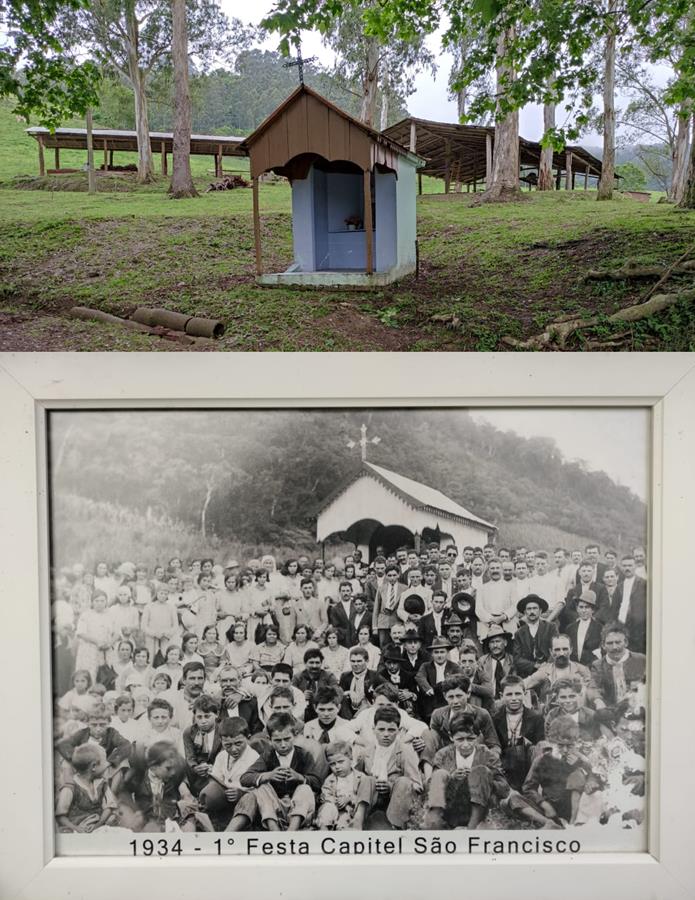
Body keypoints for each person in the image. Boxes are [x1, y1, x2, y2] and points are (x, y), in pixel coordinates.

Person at [424, 713, 509, 830]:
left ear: (478, 736)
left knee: (481, 771)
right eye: (460, 739)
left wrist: (482, 780)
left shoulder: (487, 755)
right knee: (440, 774)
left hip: (478, 809)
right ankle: (436, 822)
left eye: (470, 739)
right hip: (450, 807)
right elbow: (430, 787)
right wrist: (451, 777)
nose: (465, 744)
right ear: (451, 737)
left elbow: (504, 788)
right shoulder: (442, 755)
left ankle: (472, 828)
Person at [237, 712, 320, 831]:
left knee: (304, 788)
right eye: (277, 740)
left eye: (287, 739)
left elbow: (317, 782)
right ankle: (274, 830)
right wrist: (268, 775)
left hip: (299, 809)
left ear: (295, 735)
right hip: (276, 809)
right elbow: (245, 778)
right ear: (269, 739)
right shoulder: (268, 756)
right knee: (262, 787)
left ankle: (291, 831)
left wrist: (300, 777)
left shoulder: (303, 755)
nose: (283, 745)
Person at [354, 705, 422, 830]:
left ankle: (395, 826)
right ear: (373, 729)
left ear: (399, 730)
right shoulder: (366, 752)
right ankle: (358, 821)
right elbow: (355, 777)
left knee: (404, 781)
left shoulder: (405, 751)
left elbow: (417, 786)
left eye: (391, 730)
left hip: (396, 803)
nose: (386, 734)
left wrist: (391, 787)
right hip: (372, 802)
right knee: (367, 779)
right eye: (381, 729)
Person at [119, 740, 197, 832]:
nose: (173, 772)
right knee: (150, 830)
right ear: (153, 767)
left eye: (174, 767)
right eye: (168, 768)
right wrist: (134, 810)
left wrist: (184, 792)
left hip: (171, 818)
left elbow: (182, 777)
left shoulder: (173, 778)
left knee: (190, 829)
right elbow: (123, 792)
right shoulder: (139, 778)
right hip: (147, 820)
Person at [199, 717, 260, 830]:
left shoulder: (254, 757)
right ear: (221, 742)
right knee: (208, 792)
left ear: (248, 738)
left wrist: (240, 793)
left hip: (245, 800)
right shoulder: (222, 756)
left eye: (238, 743)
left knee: (249, 799)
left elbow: (257, 789)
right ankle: (210, 819)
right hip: (225, 798)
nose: (233, 749)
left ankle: (233, 827)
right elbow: (216, 778)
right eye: (228, 745)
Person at [491, 676, 544, 790]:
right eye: (509, 694)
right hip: (504, 764)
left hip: (527, 765)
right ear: (501, 696)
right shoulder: (495, 719)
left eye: (518, 694)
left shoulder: (536, 718)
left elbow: (540, 745)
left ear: (524, 694)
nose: (514, 698)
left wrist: (526, 743)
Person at [428, 676, 501, 755]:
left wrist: (490, 761)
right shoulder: (438, 714)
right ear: (445, 696)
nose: (455, 701)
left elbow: (494, 745)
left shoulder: (482, 714)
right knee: (427, 735)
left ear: (468, 694)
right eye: (451, 697)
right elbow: (432, 743)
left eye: (459, 696)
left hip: (475, 758)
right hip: (448, 758)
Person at [55, 744, 118, 833]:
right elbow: (60, 816)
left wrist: (98, 825)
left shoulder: (101, 783)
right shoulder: (70, 787)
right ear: (93, 766)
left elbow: (109, 807)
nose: (107, 765)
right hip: (77, 829)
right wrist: (77, 829)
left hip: (98, 826)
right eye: (104, 762)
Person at [316, 740, 374, 830]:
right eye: (332, 764)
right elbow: (325, 796)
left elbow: (363, 796)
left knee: (344, 822)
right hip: (334, 809)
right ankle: (324, 829)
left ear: (351, 759)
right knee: (327, 808)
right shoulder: (330, 779)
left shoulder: (360, 777)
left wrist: (349, 799)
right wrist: (336, 802)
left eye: (340, 762)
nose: (337, 767)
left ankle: (342, 829)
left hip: (351, 811)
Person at [588, 622, 646, 711]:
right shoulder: (598, 665)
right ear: (603, 645)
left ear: (626, 642)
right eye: (610, 643)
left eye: (618, 642)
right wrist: (598, 701)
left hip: (638, 709)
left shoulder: (641, 660)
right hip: (611, 712)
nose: (614, 647)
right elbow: (593, 688)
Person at [182, 695, 222, 795]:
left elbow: (224, 754)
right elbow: (190, 756)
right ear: (194, 717)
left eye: (207, 716)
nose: (203, 721)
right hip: (198, 772)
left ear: (216, 714)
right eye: (199, 717)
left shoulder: (223, 730)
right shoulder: (189, 732)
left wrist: (213, 768)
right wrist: (196, 767)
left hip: (218, 771)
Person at [74, 591, 117, 683]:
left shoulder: (110, 615)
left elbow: (117, 633)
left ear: (106, 602)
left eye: (102, 601)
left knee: (105, 676)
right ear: (92, 602)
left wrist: (110, 643)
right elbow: (81, 633)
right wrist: (97, 642)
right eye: (96, 601)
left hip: (106, 650)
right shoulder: (86, 615)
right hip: (89, 649)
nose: (99, 603)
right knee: (89, 675)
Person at [415, 637, 462, 720]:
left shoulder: (454, 667)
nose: (439, 655)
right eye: (436, 652)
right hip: (430, 702)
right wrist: (428, 688)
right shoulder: (426, 666)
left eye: (442, 652)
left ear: (447, 652)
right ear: (432, 654)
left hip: (448, 701)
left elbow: (461, 680)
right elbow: (420, 676)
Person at [608, 555, 647, 654]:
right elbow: (614, 609)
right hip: (622, 627)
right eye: (625, 566)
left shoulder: (644, 584)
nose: (627, 568)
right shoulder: (619, 586)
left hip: (639, 629)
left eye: (630, 565)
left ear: (635, 567)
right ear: (621, 567)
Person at [512, 594, 559, 677]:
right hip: (527, 673)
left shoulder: (551, 627)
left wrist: (547, 666)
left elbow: (556, 648)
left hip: (549, 671)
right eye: (529, 609)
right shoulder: (519, 633)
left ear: (540, 611)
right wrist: (534, 665)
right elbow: (517, 659)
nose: (532, 612)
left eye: (535, 608)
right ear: (525, 612)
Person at [545, 677, 600, 742]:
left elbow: (596, 741)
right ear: (557, 698)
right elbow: (549, 741)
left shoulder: (591, 715)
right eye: (563, 697)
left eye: (572, 696)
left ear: (579, 695)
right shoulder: (552, 715)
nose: (568, 701)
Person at [338, 647, 385, 719]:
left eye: (359, 661)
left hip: (368, 713)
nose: (355, 664)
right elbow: (337, 694)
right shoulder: (345, 676)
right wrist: (349, 692)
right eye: (353, 661)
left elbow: (388, 690)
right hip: (348, 713)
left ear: (367, 661)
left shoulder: (375, 676)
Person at [217, 666, 261, 732]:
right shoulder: (216, 702)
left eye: (232, 680)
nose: (228, 684)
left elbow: (256, 730)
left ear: (239, 681)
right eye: (224, 681)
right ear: (220, 682)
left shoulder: (251, 703)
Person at [564, 591, 603, 666]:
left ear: (593, 610)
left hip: (592, 667)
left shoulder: (599, 628)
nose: (583, 610)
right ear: (577, 609)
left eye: (587, 607)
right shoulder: (570, 628)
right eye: (581, 607)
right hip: (573, 667)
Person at [141, 586, 178, 665]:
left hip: (166, 638)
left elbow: (175, 626)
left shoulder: (171, 608)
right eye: (161, 593)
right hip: (151, 638)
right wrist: (154, 633)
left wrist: (166, 633)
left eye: (165, 594)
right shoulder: (149, 607)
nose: (163, 596)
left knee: (166, 657)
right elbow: (143, 626)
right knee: (150, 658)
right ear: (157, 593)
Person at [478, 625, 514, 702]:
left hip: (509, 699)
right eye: (492, 642)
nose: (495, 645)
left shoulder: (512, 661)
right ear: (488, 645)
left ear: (505, 643)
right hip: (487, 700)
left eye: (498, 641)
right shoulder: (482, 661)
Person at [372, 565, 404, 648]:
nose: (392, 578)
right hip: (383, 623)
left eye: (394, 575)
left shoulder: (404, 588)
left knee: (399, 645)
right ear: (386, 576)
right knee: (384, 646)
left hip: (398, 621)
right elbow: (376, 608)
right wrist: (375, 626)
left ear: (398, 575)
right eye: (389, 575)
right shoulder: (381, 588)